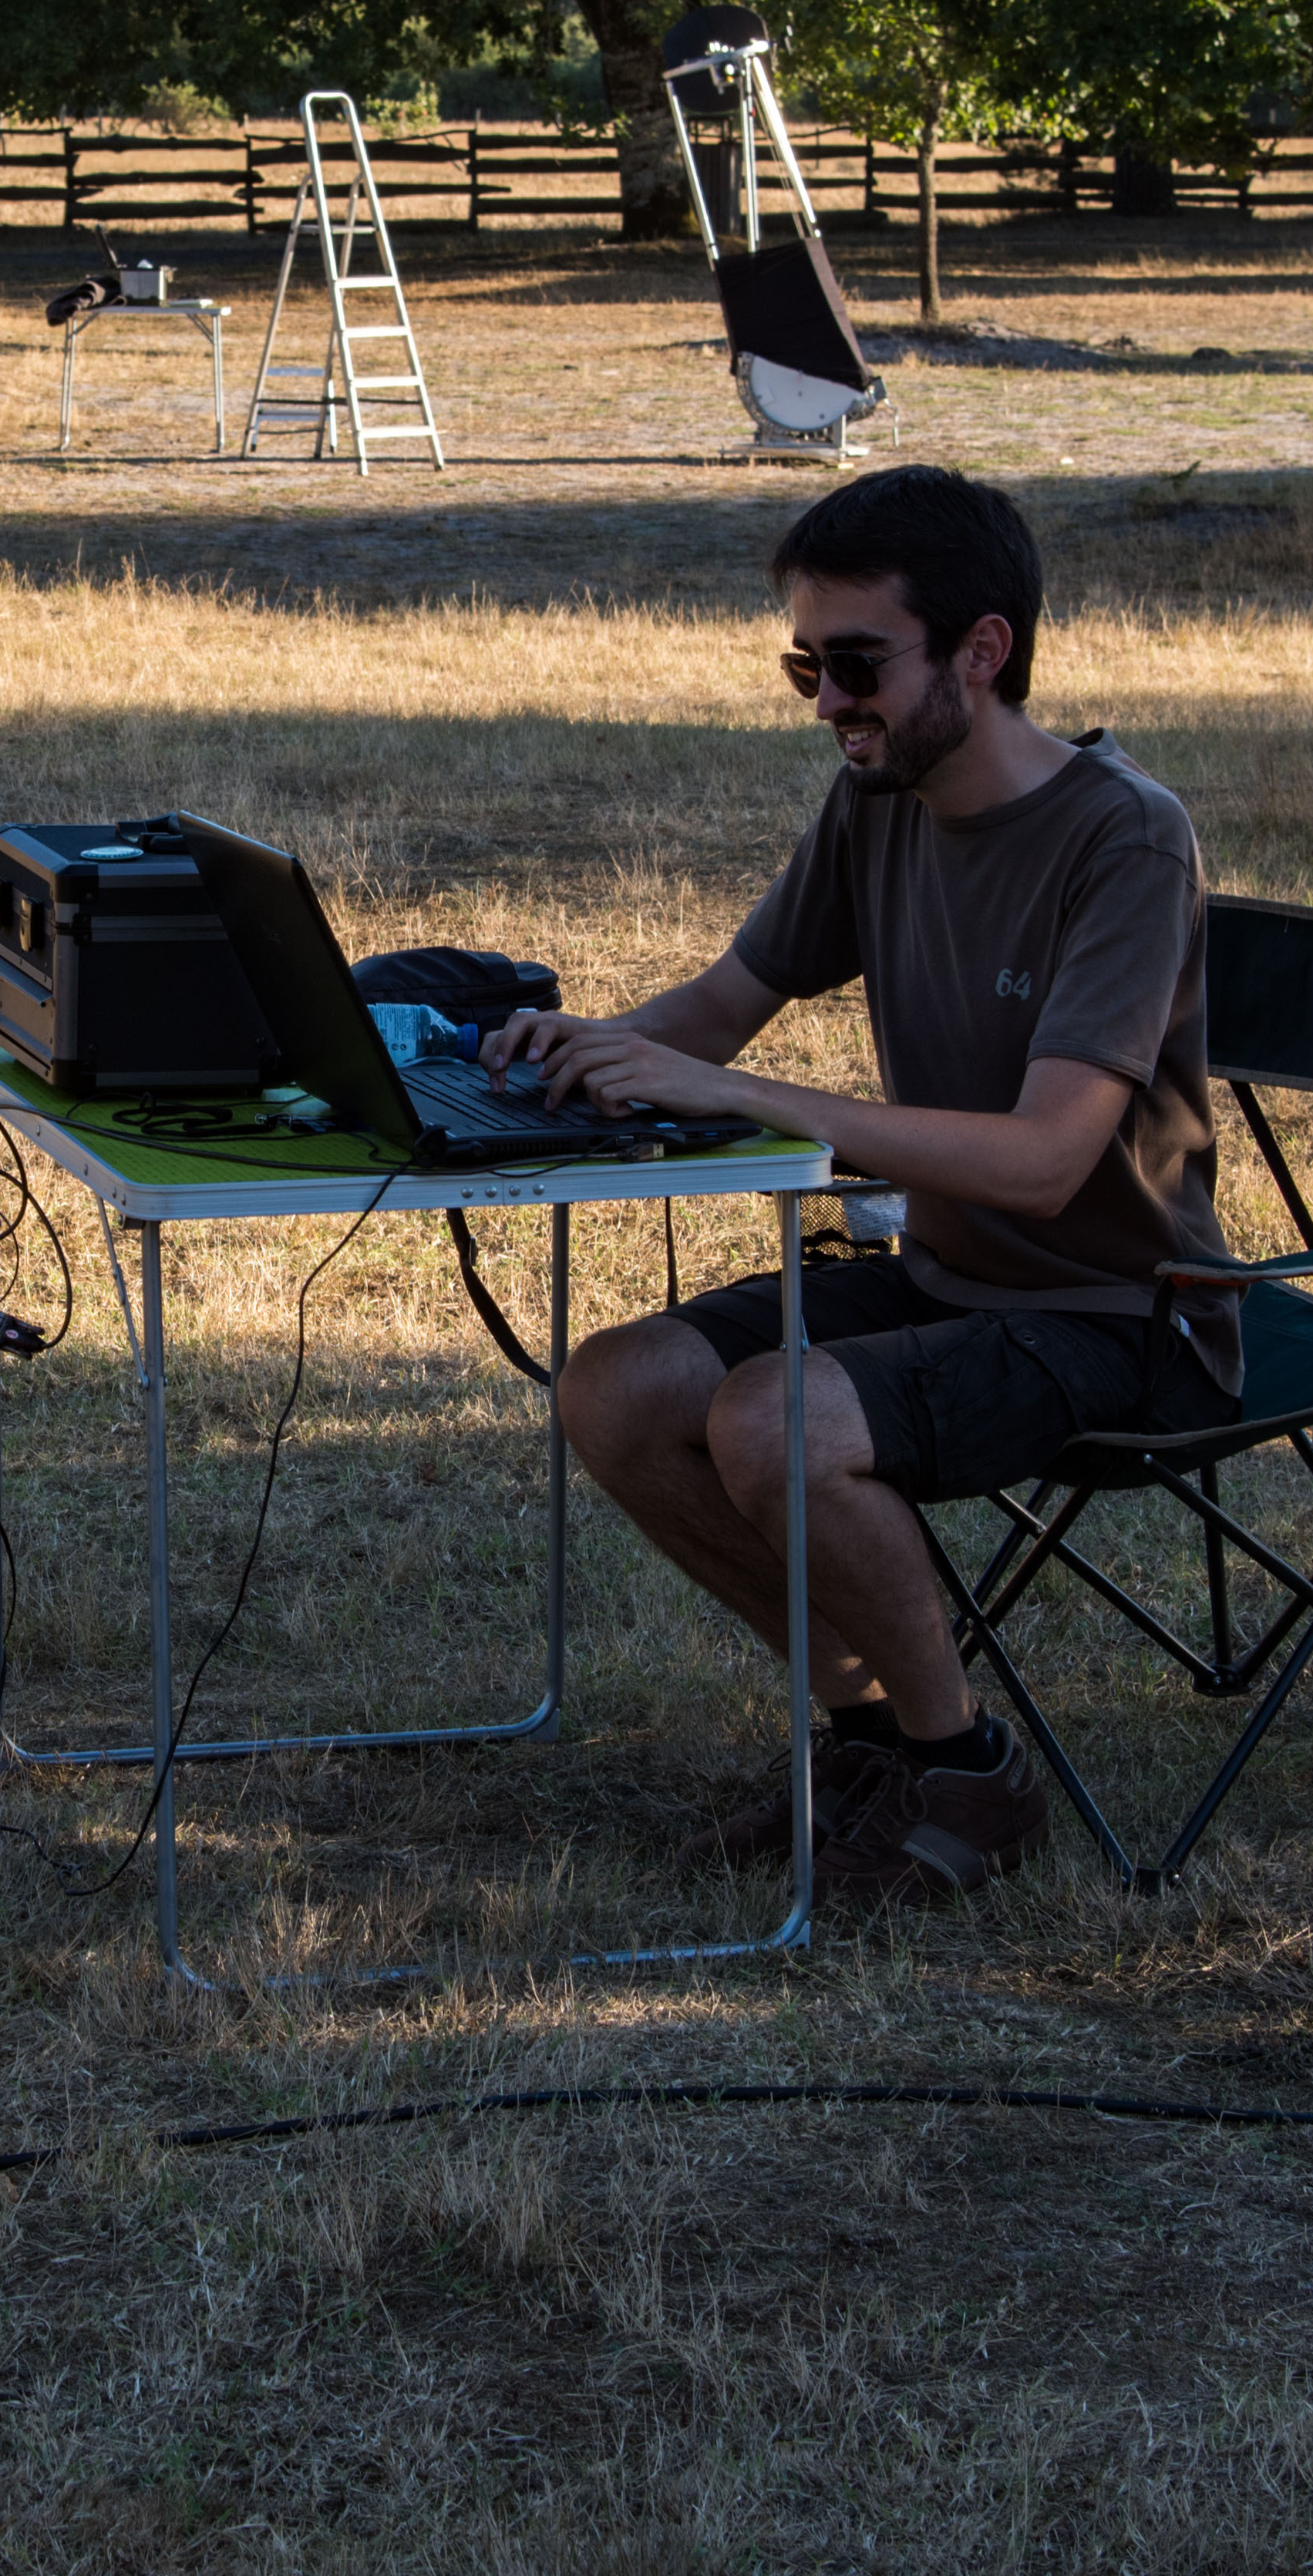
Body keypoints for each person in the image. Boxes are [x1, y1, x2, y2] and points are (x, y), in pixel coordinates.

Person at [480, 463, 1243, 1912]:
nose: (828, 703)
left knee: (773, 1419)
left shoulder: (1123, 836)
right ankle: (871, 1742)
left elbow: (1044, 1163)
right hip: (951, 1280)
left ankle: (967, 1775)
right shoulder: (876, 798)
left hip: (1119, 1314)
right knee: (617, 1386)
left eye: (854, 666)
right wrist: (559, 1056)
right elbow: (720, 1009)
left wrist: (737, 1096)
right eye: (802, 668)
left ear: (980, 649)